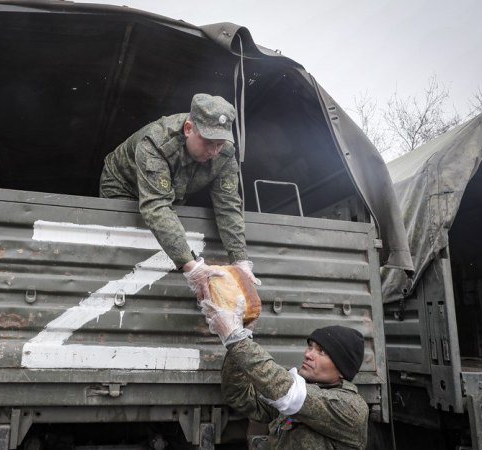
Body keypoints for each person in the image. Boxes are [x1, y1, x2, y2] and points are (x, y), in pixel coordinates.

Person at [99, 93, 258, 296]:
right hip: (123, 186)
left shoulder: (224, 152)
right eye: (209, 142)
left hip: (169, 191)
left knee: (169, 246)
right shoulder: (156, 142)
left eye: (220, 143)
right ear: (189, 128)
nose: (215, 151)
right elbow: (156, 205)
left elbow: (228, 206)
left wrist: (240, 259)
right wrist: (190, 265)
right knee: (129, 249)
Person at [200, 298, 369, 449]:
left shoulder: (350, 408)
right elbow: (239, 396)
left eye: (322, 351)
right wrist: (244, 334)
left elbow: (287, 393)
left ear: (342, 368)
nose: (308, 354)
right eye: (310, 347)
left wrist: (236, 338)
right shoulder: (297, 396)